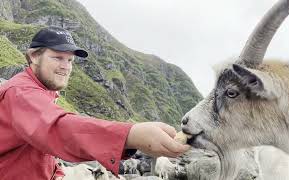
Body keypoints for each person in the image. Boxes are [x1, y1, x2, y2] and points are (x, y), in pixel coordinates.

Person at [0, 26, 190, 180]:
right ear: (34, 56)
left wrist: (56, 173)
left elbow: (39, 147)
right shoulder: (21, 93)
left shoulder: (42, 93)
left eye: (70, 60)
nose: (66, 67)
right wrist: (130, 135)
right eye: (57, 57)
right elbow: (58, 128)